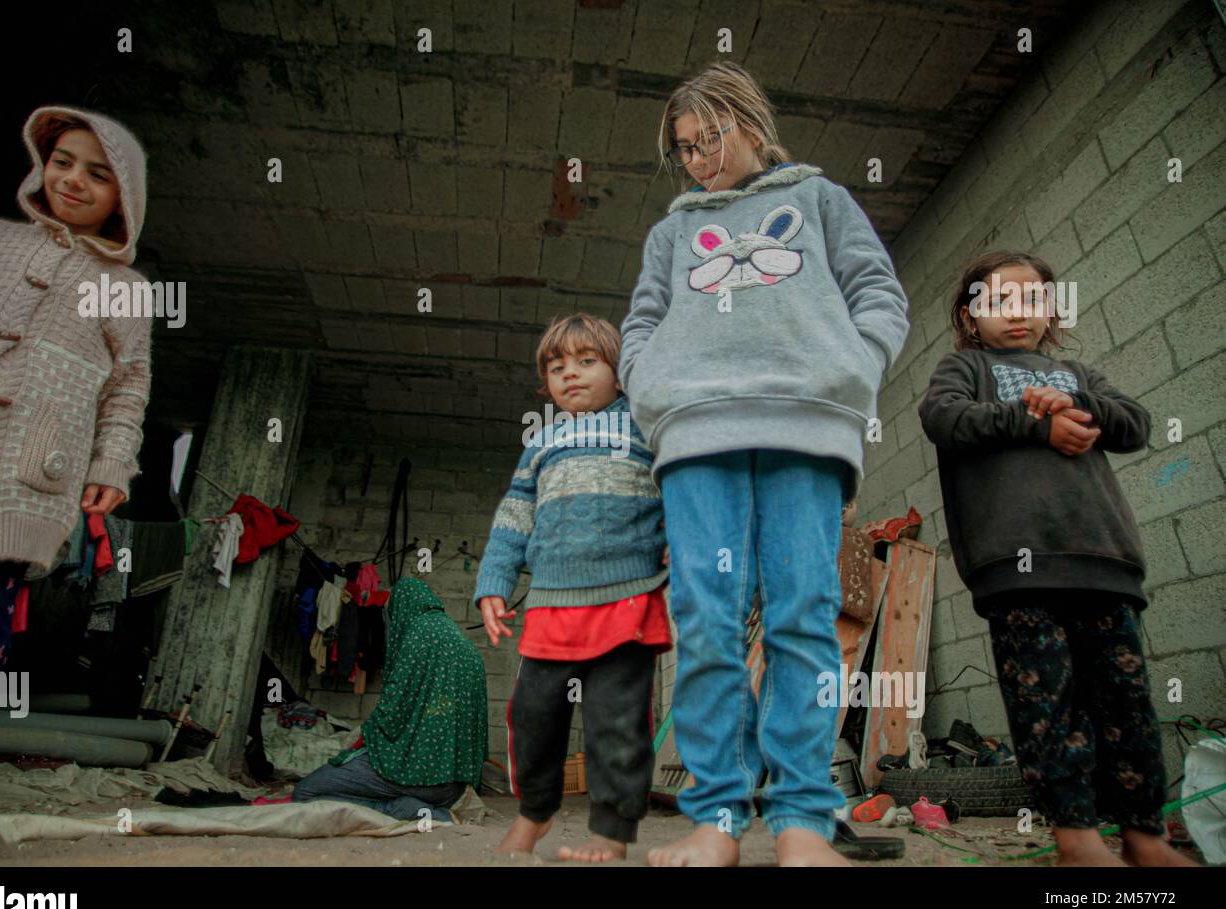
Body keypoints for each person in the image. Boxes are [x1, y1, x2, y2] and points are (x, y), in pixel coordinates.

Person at [619, 62, 909, 866]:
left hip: (804, 429)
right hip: (696, 438)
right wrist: (651, 386)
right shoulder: (673, 234)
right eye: (683, 148)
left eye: (709, 136)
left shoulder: (819, 200)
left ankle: (803, 824)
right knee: (707, 620)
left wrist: (851, 368)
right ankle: (716, 819)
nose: (698, 157)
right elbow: (640, 323)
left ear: (750, 122)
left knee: (802, 615)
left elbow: (879, 292)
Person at [918, 251, 1195, 867]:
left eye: (1034, 300)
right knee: (1046, 703)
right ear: (971, 314)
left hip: (1103, 560)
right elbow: (943, 419)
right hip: (1018, 569)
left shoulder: (1076, 373)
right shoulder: (963, 368)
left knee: (1126, 702)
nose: (1018, 314)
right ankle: (1077, 839)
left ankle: (1145, 836)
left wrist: (1075, 405)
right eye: (999, 301)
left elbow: (1136, 424)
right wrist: (1035, 423)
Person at [0, 106, 151, 827]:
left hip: (15, 478)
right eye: (63, 162)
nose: (75, 181)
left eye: (99, 173)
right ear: (40, 164)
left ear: (126, 197)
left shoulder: (126, 289)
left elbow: (127, 387)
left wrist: (113, 460)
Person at [475, 313, 671, 862]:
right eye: (557, 367)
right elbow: (515, 516)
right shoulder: (542, 442)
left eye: (587, 362)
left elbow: (679, 492)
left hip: (628, 596)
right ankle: (535, 814)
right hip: (552, 605)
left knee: (617, 725)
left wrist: (682, 543)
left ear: (619, 370)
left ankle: (610, 833)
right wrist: (494, 581)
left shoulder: (646, 427)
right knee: (534, 716)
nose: (571, 375)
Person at [292, 577, 488, 823]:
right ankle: (418, 808)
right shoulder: (465, 645)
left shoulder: (417, 636)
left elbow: (390, 715)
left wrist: (363, 741)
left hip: (410, 775)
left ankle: (400, 809)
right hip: (452, 787)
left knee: (305, 792)